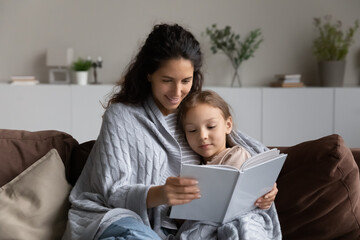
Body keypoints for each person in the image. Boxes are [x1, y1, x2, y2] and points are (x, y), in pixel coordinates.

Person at [62, 23, 279, 240]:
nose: (177, 92)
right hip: (118, 217)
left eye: (186, 80)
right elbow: (111, 191)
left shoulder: (194, 114)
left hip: (176, 231)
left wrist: (263, 188)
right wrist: (160, 194)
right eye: (167, 81)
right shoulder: (121, 116)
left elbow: (244, 151)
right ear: (149, 74)